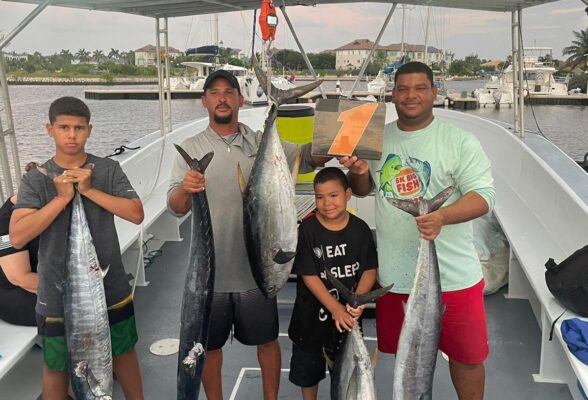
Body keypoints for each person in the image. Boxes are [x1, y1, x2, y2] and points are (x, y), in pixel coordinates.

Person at [167, 70, 328, 400]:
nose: (222, 97)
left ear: (241, 100)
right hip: (210, 275)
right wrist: (186, 187)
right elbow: (175, 206)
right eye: (214, 92)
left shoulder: (258, 141)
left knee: (267, 342)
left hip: (258, 269)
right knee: (209, 347)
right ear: (204, 101)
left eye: (229, 91)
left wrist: (342, 140)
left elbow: (310, 157)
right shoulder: (191, 147)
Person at [340, 61, 496, 400]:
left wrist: (442, 217)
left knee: (467, 359)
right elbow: (364, 188)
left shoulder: (458, 141)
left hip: (454, 278)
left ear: (434, 93)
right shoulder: (377, 137)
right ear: (393, 94)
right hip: (395, 276)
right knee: (406, 359)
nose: (411, 95)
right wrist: (360, 170)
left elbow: (483, 197)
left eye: (419, 88)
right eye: (403, 89)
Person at [9, 96, 145, 400]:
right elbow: (17, 236)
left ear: (90, 130)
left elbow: (135, 213)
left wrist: (88, 190)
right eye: (64, 127)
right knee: (55, 364)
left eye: (79, 128)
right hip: (54, 297)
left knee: (123, 352)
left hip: (109, 287)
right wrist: (60, 198)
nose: (72, 135)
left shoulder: (107, 169)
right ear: (50, 129)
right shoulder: (36, 179)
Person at [287, 167, 377, 400]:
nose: (326, 203)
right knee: (308, 375)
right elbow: (308, 275)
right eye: (319, 197)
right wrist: (336, 308)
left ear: (348, 194)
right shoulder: (307, 230)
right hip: (309, 323)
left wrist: (357, 300)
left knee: (348, 378)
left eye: (333, 195)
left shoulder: (361, 229)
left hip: (348, 321)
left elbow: (369, 269)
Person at [0, 162, 39, 327]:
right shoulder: (5, 223)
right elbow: (20, 278)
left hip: (47, 282)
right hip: (18, 296)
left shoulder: (41, 211)